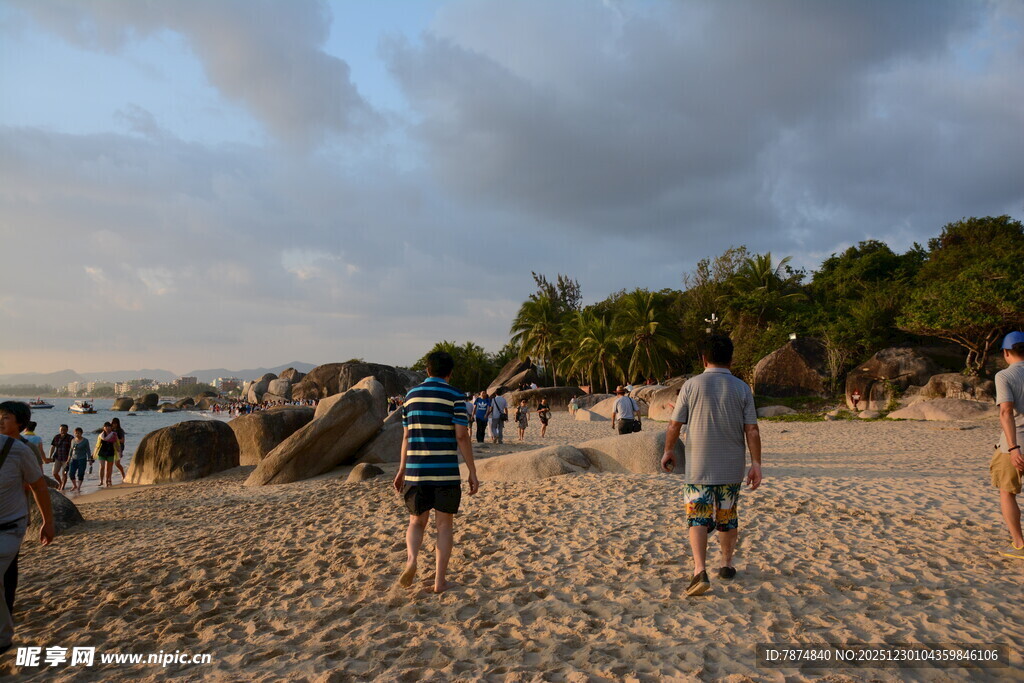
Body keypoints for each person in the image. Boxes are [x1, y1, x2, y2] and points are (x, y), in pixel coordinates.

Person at [661, 335, 762, 597]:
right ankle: (726, 565)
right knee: (727, 517)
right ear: (731, 359)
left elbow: (674, 424)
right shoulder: (742, 388)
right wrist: (756, 464)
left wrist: (669, 450)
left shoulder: (691, 385)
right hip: (731, 468)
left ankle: (699, 570)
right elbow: (751, 430)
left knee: (698, 517)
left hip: (698, 467)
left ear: (704, 359)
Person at [393, 351, 479, 593]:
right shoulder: (455, 396)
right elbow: (461, 436)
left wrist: (401, 470)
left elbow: (406, 436)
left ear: (427, 370)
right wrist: (472, 471)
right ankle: (440, 581)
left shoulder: (410, 396)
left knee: (416, 521)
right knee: (444, 526)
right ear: (450, 373)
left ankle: (411, 559)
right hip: (445, 472)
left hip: (416, 472)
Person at [0, 401, 55, 656]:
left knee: (8, 573)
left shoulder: (24, 449)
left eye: (6, 417)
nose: (0, 421)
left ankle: (4, 631)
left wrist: (47, 521)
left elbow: (37, 483)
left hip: (12, 521)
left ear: (20, 423)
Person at [993, 331, 1024, 559]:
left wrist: (1013, 448)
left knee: (1007, 492)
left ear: (1006, 352)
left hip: (1015, 443)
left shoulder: (1004, 376)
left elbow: (1006, 411)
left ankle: (1019, 544)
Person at [93, 422, 120, 487]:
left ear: (111, 427)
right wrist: (94, 453)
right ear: (103, 428)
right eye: (106, 427)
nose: (107, 428)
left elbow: (117, 443)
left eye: (109, 426)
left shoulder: (114, 435)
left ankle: (108, 480)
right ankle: (101, 481)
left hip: (110, 452)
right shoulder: (101, 435)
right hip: (102, 452)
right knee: (102, 466)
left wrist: (119, 451)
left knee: (109, 468)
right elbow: (97, 445)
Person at [48, 424, 73, 490]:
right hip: (58, 458)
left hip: (66, 459)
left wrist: (70, 458)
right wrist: (50, 456)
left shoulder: (70, 438)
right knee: (54, 473)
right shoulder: (56, 437)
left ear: (67, 430)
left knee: (64, 473)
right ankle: (60, 482)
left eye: (64, 429)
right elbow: (53, 447)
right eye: (61, 429)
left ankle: (62, 487)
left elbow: (73, 449)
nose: (62, 431)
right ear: (59, 430)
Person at [67, 428, 90, 494]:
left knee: (80, 473)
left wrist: (89, 459)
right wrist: (68, 459)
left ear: (81, 433)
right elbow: (71, 450)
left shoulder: (85, 441)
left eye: (78, 433)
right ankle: (74, 485)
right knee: (71, 473)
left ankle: (79, 487)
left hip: (82, 459)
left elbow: (88, 450)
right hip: (73, 459)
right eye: (76, 433)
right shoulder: (73, 440)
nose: (77, 434)